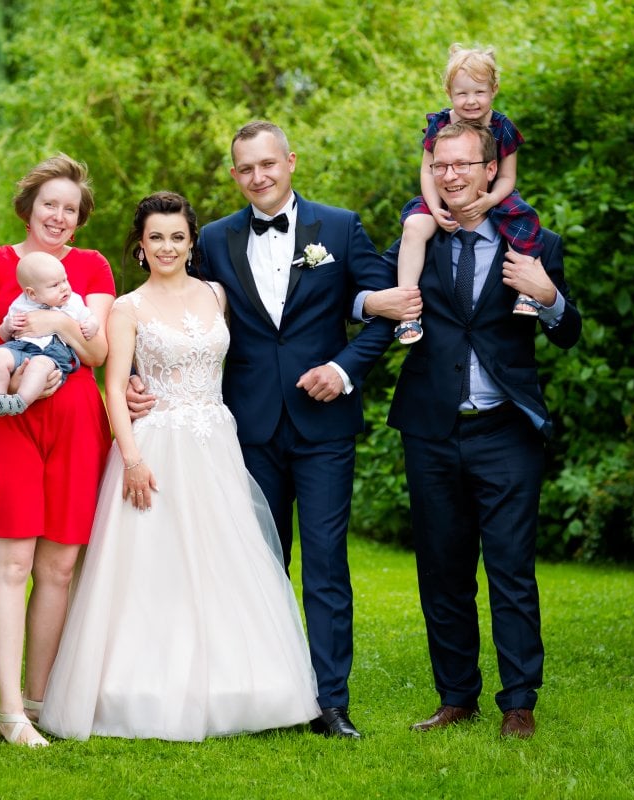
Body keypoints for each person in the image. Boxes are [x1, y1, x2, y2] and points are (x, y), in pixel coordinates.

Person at [127, 122, 419, 739]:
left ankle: (330, 702)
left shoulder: (339, 227)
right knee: (255, 560)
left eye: (268, 164)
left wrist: (344, 369)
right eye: (246, 168)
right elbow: (174, 310)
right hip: (244, 426)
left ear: (290, 162)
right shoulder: (213, 238)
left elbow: (385, 306)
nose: (258, 176)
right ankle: (264, 694)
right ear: (234, 175)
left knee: (326, 564)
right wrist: (133, 375)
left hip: (323, 427)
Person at [40, 192, 321, 741]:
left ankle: (240, 685)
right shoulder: (127, 308)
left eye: (176, 237)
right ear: (140, 246)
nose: (166, 247)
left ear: (192, 242)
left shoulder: (216, 295)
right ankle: (141, 688)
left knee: (225, 562)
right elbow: (115, 389)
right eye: (155, 238)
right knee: (154, 570)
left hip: (215, 443)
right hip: (156, 448)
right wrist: (132, 459)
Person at [385, 119, 581, 739]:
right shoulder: (419, 237)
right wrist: (370, 306)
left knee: (511, 570)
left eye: (463, 165)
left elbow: (569, 331)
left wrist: (547, 295)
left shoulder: (534, 242)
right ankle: (456, 698)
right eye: (440, 166)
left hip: (507, 432)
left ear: (491, 170)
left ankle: (519, 702)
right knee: (442, 570)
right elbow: (370, 300)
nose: (450, 176)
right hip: (431, 431)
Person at [0, 154, 115, 748]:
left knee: (58, 568)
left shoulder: (92, 267)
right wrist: (10, 380)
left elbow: (97, 352)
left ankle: (39, 700)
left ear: (80, 217)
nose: (59, 216)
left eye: (70, 208)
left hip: (75, 424)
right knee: (12, 564)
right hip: (3, 419)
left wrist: (58, 327)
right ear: (28, 208)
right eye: (49, 205)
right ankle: (10, 712)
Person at [394, 44, 544, 346]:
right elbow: (428, 171)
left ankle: (527, 292)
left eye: (479, 92)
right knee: (414, 226)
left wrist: (490, 200)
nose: (471, 101)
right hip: (441, 194)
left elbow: (507, 177)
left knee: (523, 221)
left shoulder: (502, 128)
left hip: (494, 194)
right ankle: (407, 309)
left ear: (494, 90)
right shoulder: (440, 124)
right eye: (462, 93)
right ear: (449, 92)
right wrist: (434, 208)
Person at [0, 250, 99, 416]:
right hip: (20, 347)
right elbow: (3, 335)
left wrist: (92, 325)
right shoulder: (20, 304)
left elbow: (90, 317)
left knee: (39, 366)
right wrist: (8, 326)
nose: (64, 287)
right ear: (32, 293)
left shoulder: (73, 301)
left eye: (65, 280)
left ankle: (20, 401)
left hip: (53, 352)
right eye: (55, 285)